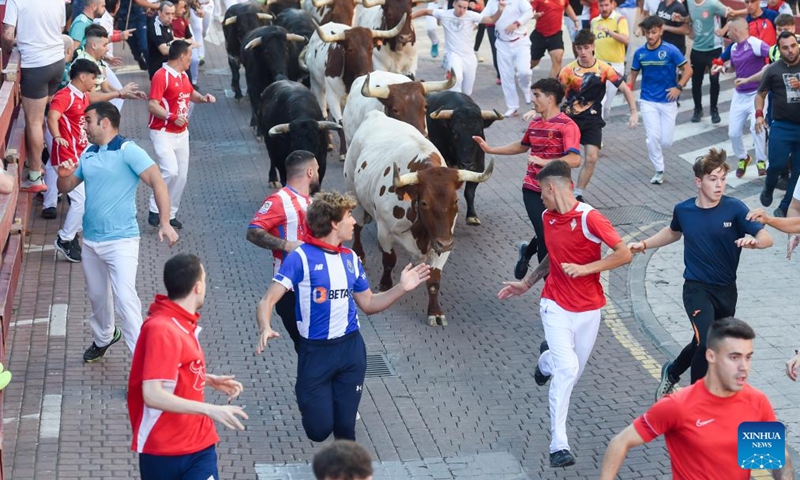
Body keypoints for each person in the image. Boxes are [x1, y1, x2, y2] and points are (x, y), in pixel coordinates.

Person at [255, 191, 431, 442]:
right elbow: (267, 300)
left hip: (351, 351)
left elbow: (369, 303)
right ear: (334, 224)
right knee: (318, 430)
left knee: (346, 429)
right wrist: (265, 326)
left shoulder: (350, 259)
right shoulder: (300, 258)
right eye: (349, 216)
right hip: (315, 353)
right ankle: (310, 398)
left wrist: (402, 288)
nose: (354, 222)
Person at [497, 160, 632, 468]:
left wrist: (587, 268)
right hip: (554, 304)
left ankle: (545, 363)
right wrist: (527, 283)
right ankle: (559, 444)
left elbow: (623, 253)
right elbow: (551, 260)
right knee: (568, 369)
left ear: (551, 188)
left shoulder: (590, 218)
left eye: (541, 194)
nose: (540, 201)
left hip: (589, 309)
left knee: (568, 372)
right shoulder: (546, 217)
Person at [626, 149, 773, 400]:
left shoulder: (735, 208)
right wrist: (644, 244)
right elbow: (673, 232)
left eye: (723, 179)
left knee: (706, 342)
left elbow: (766, 238)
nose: (719, 185)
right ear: (699, 181)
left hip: (726, 290)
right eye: (713, 179)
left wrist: (755, 243)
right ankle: (697, 399)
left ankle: (673, 371)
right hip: (696, 288)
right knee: (707, 342)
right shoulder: (684, 210)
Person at [56, 101, 179, 362]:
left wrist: (165, 222)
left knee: (125, 298)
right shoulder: (88, 153)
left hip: (121, 241)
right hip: (89, 242)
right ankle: (104, 337)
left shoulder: (128, 151)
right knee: (98, 297)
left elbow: (158, 181)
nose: (84, 126)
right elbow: (67, 186)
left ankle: (141, 366)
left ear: (105, 122)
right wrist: (62, 175)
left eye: (88, 120)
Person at [600, 317, 793, 480]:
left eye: (748, 357)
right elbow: (620, 442)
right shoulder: (679, 405)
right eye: (734, 357)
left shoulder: (756, 402)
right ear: (711, 356)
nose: (744, 366)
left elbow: (775, 461)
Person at [128, 253, 248, 480]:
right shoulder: (163, 329)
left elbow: (172, 369)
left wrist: (206, 379)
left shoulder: (180, 322)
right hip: (164, 448)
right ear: (198, 287)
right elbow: (152, 394)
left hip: (199, 444)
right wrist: (210, 409)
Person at [473, 78, 580, 280]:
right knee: (545, 235)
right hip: (532, 189)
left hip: (559, 191)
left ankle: (527, 252)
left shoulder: (568, 126)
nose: (532, 99)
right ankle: (550, 283)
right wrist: (490, 149)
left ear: (550, 98)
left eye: (537, 95)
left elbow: (574, 159)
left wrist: (545, 162)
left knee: (554, 232)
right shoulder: (536, 123)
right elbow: (522, 146)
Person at [551, 29, 637, 202]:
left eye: (586, 47)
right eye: (579, 48)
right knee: (564, 159)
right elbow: (553, 95)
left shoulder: (604, 69)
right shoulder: (568, 71)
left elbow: (625, 89)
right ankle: (559, 189)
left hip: (592, 120)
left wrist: (633, 111)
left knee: (591, 157)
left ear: (592, 47)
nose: (582, 52)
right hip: (570, 120)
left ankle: (578, 193)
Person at [247, 150, 319, 353]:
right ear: (310, 172)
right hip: (291, 292)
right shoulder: (279, 200)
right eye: (319, 170)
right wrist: (286, 245)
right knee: (310, 351)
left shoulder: (311, 202)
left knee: (315, 351)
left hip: (312, 289)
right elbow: (253, 232)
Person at [147, 40, 215, 230]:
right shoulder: (161, 76)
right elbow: (152, 105)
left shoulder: (182, 74)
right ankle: (154, 209)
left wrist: (202, 99)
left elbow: (190, 93)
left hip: (181, 134)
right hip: (162, 132)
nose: (191, 59)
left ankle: (170, 214)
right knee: (170, 171)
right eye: (190, 56)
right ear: (182, 56)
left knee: (182, 176)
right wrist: (171, 116)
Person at [2, 0, 66, 193]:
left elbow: (7, 34)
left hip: (36, 64)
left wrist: (8, 48)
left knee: (34, 121)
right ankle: (36, 160)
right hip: (57, 61)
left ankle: (35, 175)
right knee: (39, 116)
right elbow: (61, 27)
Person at [47, 59, 102, 263]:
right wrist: (56, 136)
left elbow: (91, 104)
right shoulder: (65, 96)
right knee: (81, 200)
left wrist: (119, 94)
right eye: (93, 77)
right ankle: (65, 239)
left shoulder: (82, 96)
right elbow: (52, 116)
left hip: (80, 153)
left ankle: (73, 235)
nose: (95, 81)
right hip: (66, 157)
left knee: (88, 197)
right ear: (82, 76)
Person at [629, 15, 692, 185]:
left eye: (654, 32)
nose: (650, 36)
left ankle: (659, 165)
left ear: (661, 31)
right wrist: (630, 97)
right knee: (652, 137)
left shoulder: (671, 50)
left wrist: (678, 87)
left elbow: (688, 70)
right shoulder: (640, 53)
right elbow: (633, 75)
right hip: (648, 100)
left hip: (668, 101)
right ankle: (659, 170)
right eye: (648, 32)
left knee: (666, 141)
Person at [712, 18, 769, 178]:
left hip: (757, 94)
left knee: (756, 127)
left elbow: (771, 57)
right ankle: (744, 157)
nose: (728, 33)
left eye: (729, 30)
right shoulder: (734, 48)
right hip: (740, 94)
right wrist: (723, 68)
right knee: (733, 132)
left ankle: (761, 161)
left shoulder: (756, 44)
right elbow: (733, 67)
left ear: (736, 30)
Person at [413, 0, 505, 95]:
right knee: (457, 80)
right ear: (454, 4)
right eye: (459, 6)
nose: (461, 10)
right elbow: (425, 11)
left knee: (467, 92)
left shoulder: (471, 15)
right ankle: (454, 105)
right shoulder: (445, 14)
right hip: (453, 54)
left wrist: (500, 10)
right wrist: (409, 18)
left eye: (464, 8)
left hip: (469, 57)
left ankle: (462, 106)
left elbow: (491, 20)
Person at [757, 32, 800, 218]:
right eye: (785, 47)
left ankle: (785, 206)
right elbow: (761, 94)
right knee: (776, 164)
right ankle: (769, 185)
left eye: (793, 45)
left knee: (798, 173)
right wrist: (759, 115)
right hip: (782, 126)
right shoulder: (773, 69)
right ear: (779, 49)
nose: (790, 50)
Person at [483, 0, 534, 116]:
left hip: (521, 42)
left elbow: (529, 12)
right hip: (502, 43)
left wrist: (516, 23)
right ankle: (512, 106)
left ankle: (526, 89)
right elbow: (483, 16)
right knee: (506, 76)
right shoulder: (492, 2)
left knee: (524, 72)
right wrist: (472, 21)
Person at [74, 25, 147, 104]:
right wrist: (119, 93)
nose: (107, 48)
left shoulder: (97, 60)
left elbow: (106, 86)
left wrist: (128, 94)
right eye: (104, 45)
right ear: (94, 45)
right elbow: (91, 97)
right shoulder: (85, 65)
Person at [686, 0, 728, 123]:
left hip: (714, 50)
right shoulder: (689, 2)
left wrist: (724, 29)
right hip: (697, 49)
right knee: (696, 81)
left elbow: (732, 14)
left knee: (714, 80)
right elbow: (691, 17)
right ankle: (697, 109)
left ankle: (714, 110)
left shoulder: (713, 4)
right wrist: (683, 20)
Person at [591, 0, 629, 120]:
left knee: (606, 105)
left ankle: (602, 120)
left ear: (613, 5)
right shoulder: (594, 21)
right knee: (599, 100)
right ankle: (597, 133)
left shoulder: (620, 19)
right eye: (601, 5)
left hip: (616, 66)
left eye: (606, 5)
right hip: (599, 66)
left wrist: (609, 32)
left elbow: (626, 39)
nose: (604, 8)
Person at [529, 0, 579, 79]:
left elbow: (566, 6)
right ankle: (516, 73)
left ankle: (550, 86)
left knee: (558, 59)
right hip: (540, 34)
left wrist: (575, 19)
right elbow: (527, 12)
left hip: (555, 34)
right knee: (532, 62)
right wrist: (533, 15)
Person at [147, 1, 176, 79]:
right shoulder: (155, 27)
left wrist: (183, 41)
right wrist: (181, 46)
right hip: (159, 69)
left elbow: (171, 39)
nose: (170, 17)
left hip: (169, 66)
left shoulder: (167, 23)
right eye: (167, 13)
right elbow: (164, 50)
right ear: (159, 13)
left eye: (172, 14)